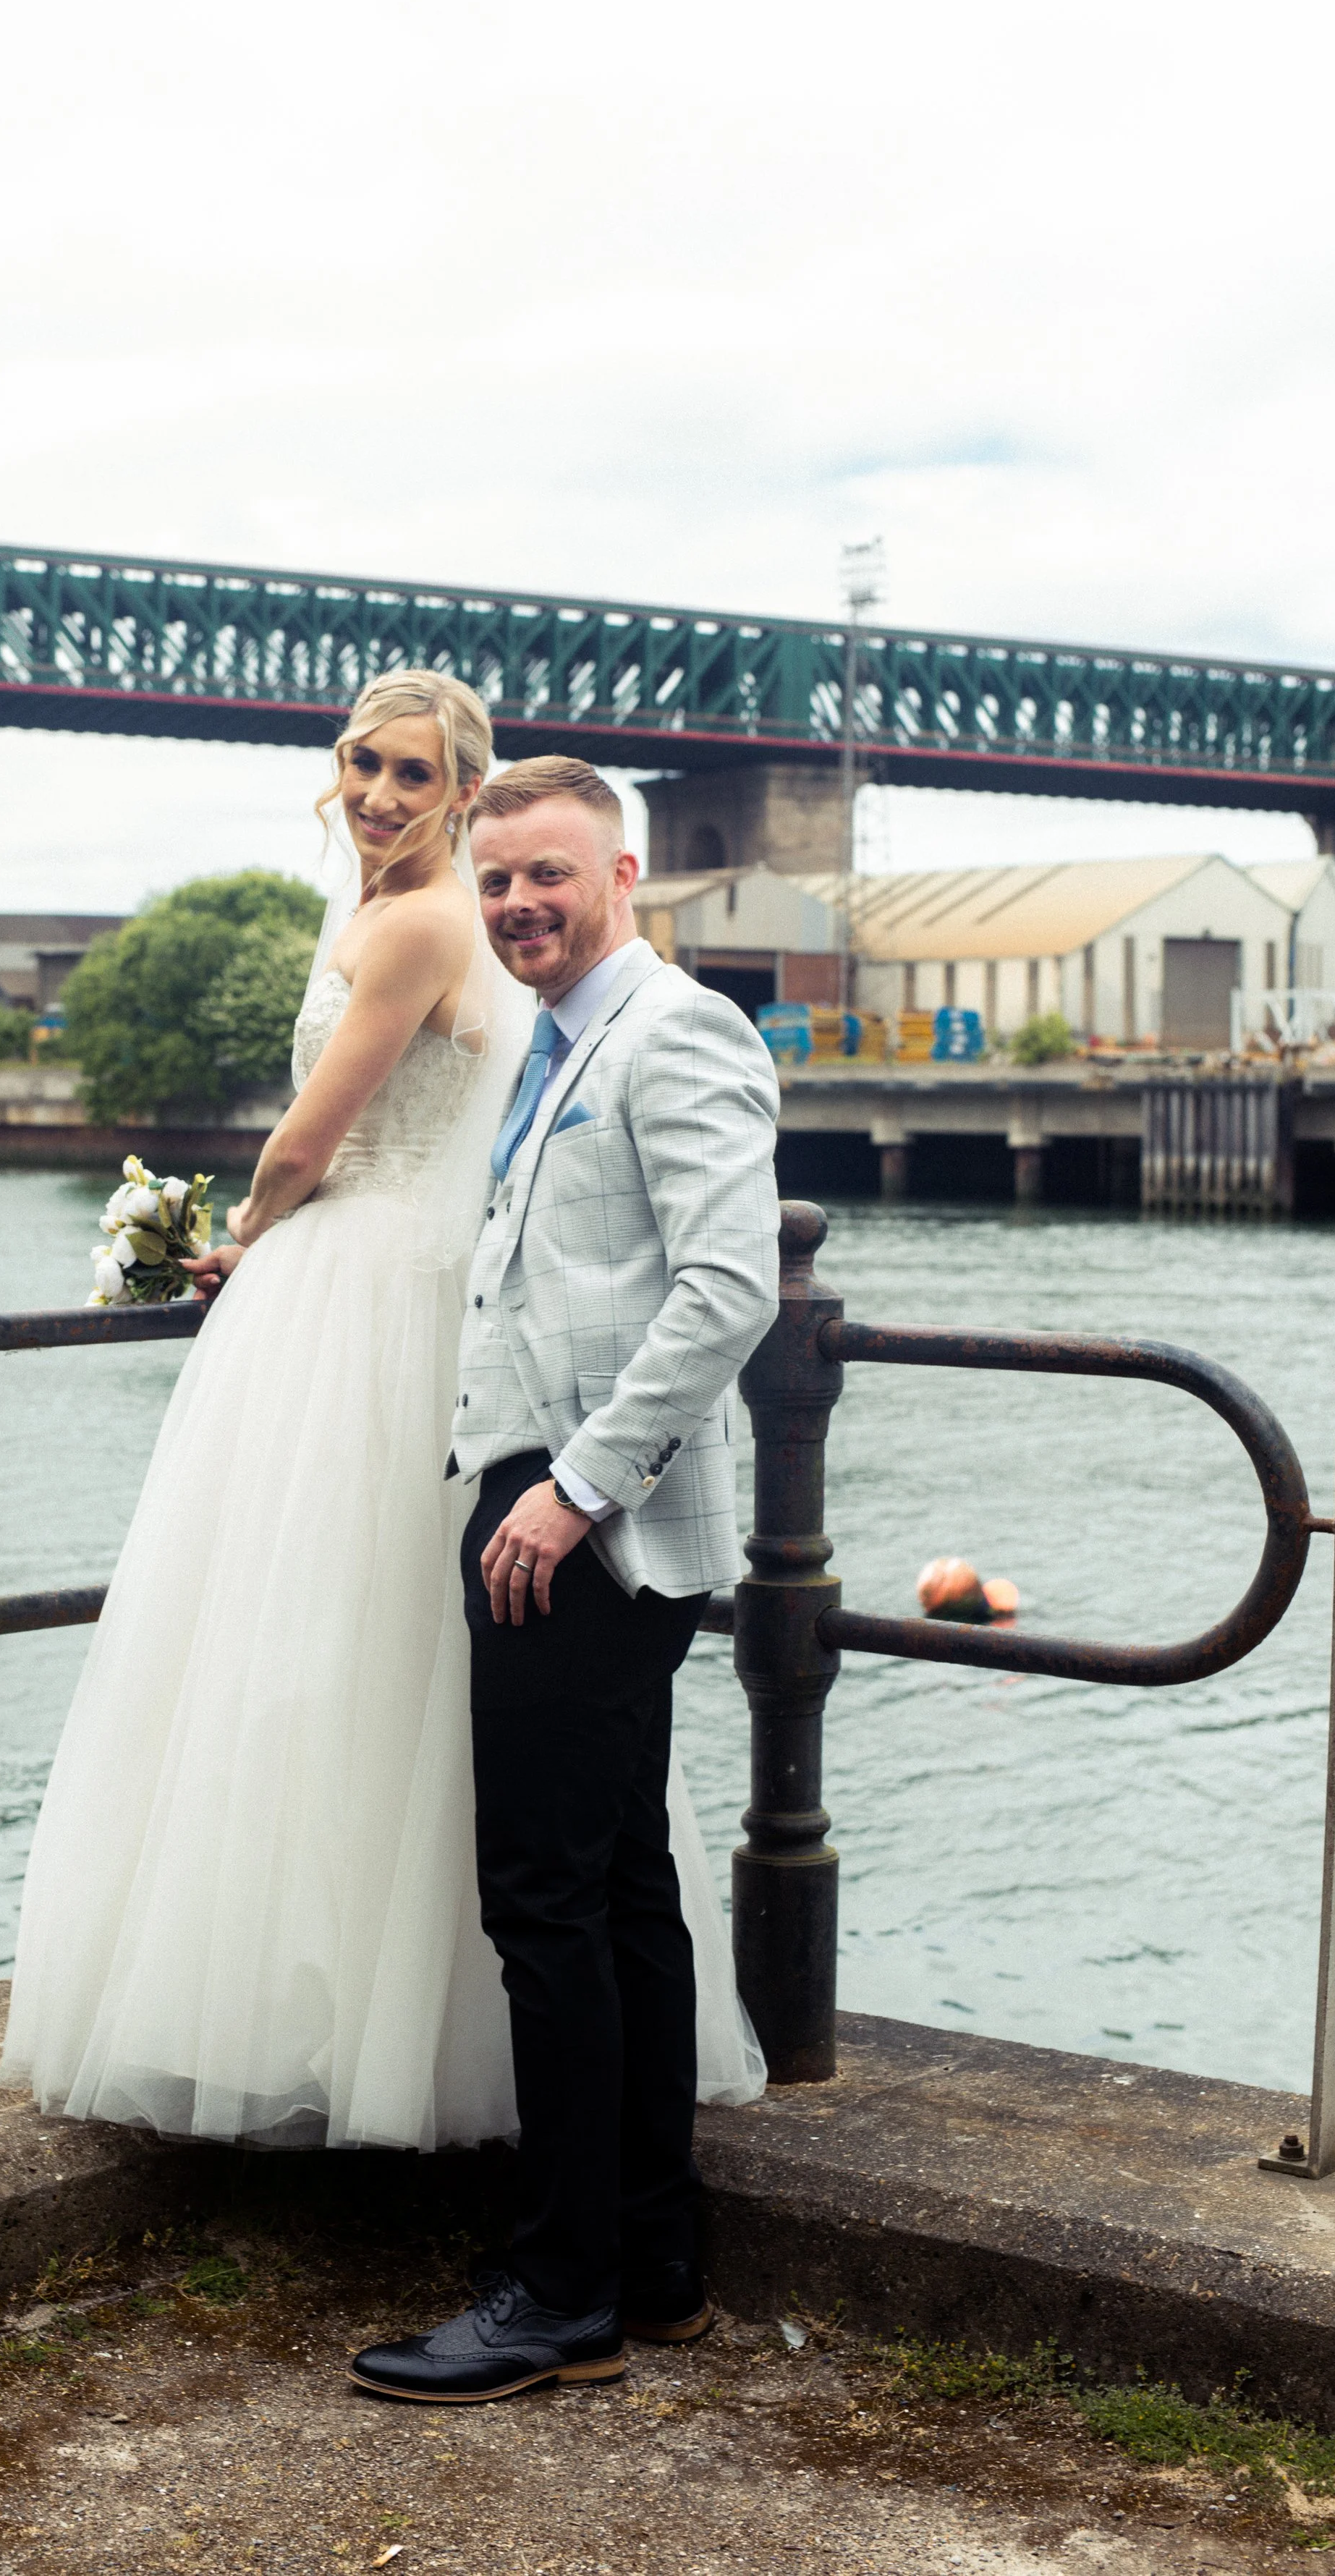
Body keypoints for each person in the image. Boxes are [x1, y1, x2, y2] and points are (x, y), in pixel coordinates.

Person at [0, 677, 764, 2156]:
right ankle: (621, 2246)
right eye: (362, 763)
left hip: (467, 1380)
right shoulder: (538, 1007)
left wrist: (242, 1243)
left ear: (608, 871)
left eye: (414, 774)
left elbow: (717, 1290)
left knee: (530, 1840)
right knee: (507, 1807)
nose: (378, 793)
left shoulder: (589, 996)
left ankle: (569, 2258)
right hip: (460, 1338)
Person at [350, 756, 781, 2404]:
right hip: (543, 1498)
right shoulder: (552, 1041)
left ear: (623, 869)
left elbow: (728, 1288)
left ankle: (559, 2297)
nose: (520, 903)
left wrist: (571, 1492)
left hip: (584, 1523)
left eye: (548, 875)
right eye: (498, 881)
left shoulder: (676, 1031)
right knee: (613, 1899)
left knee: (545, 1902)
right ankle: (649, 2261)